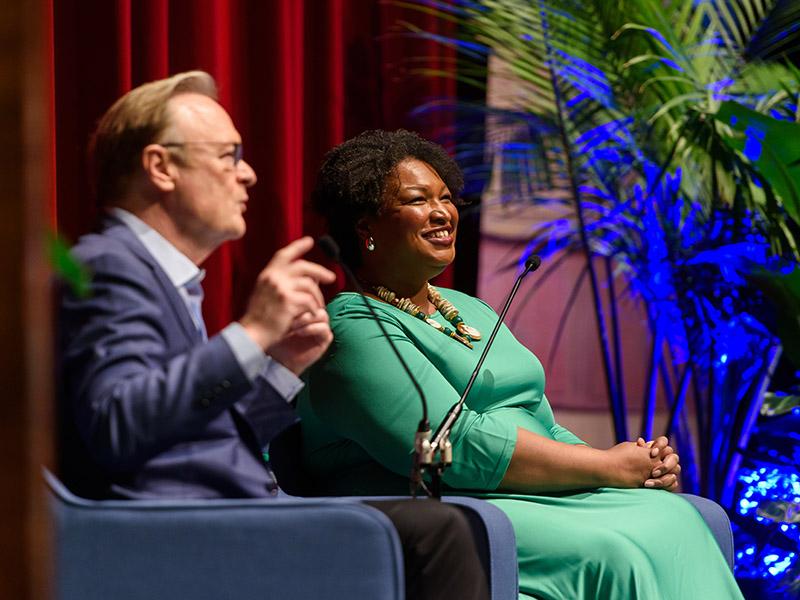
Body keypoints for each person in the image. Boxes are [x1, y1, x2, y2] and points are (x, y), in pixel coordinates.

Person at [56, 72, 489, 600]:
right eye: (227, 156)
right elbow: (118, 423)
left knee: (448, 524)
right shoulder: (109, 268)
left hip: (226, 509)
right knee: (439, 534)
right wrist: (252, 332)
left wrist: (282, 366)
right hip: (173, 527)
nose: (249, 175)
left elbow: (207, 431)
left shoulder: (160, 276)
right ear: (161, 167)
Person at [296, 129, 745, 599]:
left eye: (446, 198)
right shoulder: (353, 327)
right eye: (417, 200)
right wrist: (605, 468)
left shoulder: (467, 308)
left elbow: (538, 419)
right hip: (439, 507)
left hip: (516, 491)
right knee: (614, 551)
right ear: (366, 226)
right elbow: (458, 446)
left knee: (678, 520)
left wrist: (631, 464)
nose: (442, 213)